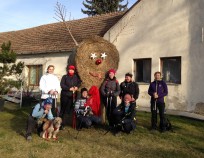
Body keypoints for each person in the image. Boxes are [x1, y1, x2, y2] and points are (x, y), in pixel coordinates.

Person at [60, 65, 81, 129]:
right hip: (65, 95)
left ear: (74, 71)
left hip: (72, 96)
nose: (71, 71)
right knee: (63, 109)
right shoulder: (65, 77)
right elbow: (62, 85)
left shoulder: (76, 77)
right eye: (70, 69)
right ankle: (59, 123)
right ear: (68, 70)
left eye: (72, 70)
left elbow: (79, 82)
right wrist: (69, 88)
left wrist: (77, 86)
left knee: (68, 110)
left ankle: (64, 123)